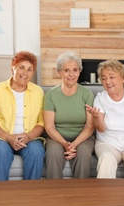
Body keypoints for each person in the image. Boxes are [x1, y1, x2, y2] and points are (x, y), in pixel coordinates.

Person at [0, 51, 45, 181]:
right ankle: (0, 194)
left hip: (28, 138)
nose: (25, 73)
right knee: (1, 151)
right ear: (13, 68)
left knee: (36, 151)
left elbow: (41, 123)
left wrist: (28, 137)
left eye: (29, 69)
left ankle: (31, 194)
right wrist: (9, 138)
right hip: (1, 138)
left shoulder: (38, 92)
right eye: (21, 67)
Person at [86, 59, 124, 179]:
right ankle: (105, 197)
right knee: (106, 159)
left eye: (111, 77)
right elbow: (101, 129)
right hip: (107, 143)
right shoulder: (100, 98)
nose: (107, 82)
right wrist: (97, 118)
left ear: (123, 78)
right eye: (103, 78)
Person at [43, 51, 95, 179]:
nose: (71, 74)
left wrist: (74, 144)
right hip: (57, 136)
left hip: (83, 137)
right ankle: (55, 193)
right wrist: (65, 143)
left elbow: (89, 126)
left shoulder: (87, 94)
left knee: (83, 154)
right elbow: (49, 127)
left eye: (75, 70)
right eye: (67, 70)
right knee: (53, 153)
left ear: (79, 72)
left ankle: (80, 194)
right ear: (59, 72)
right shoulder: (50, 95)